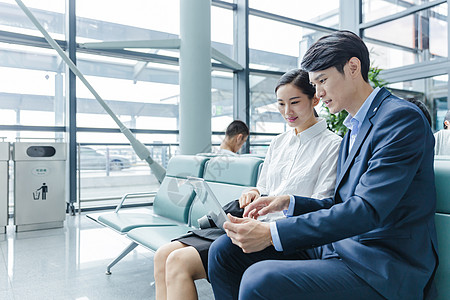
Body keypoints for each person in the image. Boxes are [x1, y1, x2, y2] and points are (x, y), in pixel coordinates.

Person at [208, 30, 438, 300]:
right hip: (341, 248)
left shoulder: (400, 119)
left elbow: (366, 210)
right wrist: (289, 202)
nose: (318, 93)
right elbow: (343, 203)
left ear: (353, 67)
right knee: (224, 252)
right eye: (314, 83)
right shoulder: (354, 128)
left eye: (322, 80)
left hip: (382, 265)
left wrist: (272, 232)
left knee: (260, 280)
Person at [153, 69, 342, 300]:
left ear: (314, 99)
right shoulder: (278, 143)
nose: (287, 112)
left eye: (294, 102)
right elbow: (262, 187)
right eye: (281, 104)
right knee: (163, 255)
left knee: (178, 260)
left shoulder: (333, 146)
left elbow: (322, 205)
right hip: (252, 223)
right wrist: (252, 193)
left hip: (285, 236)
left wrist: (274, 212)